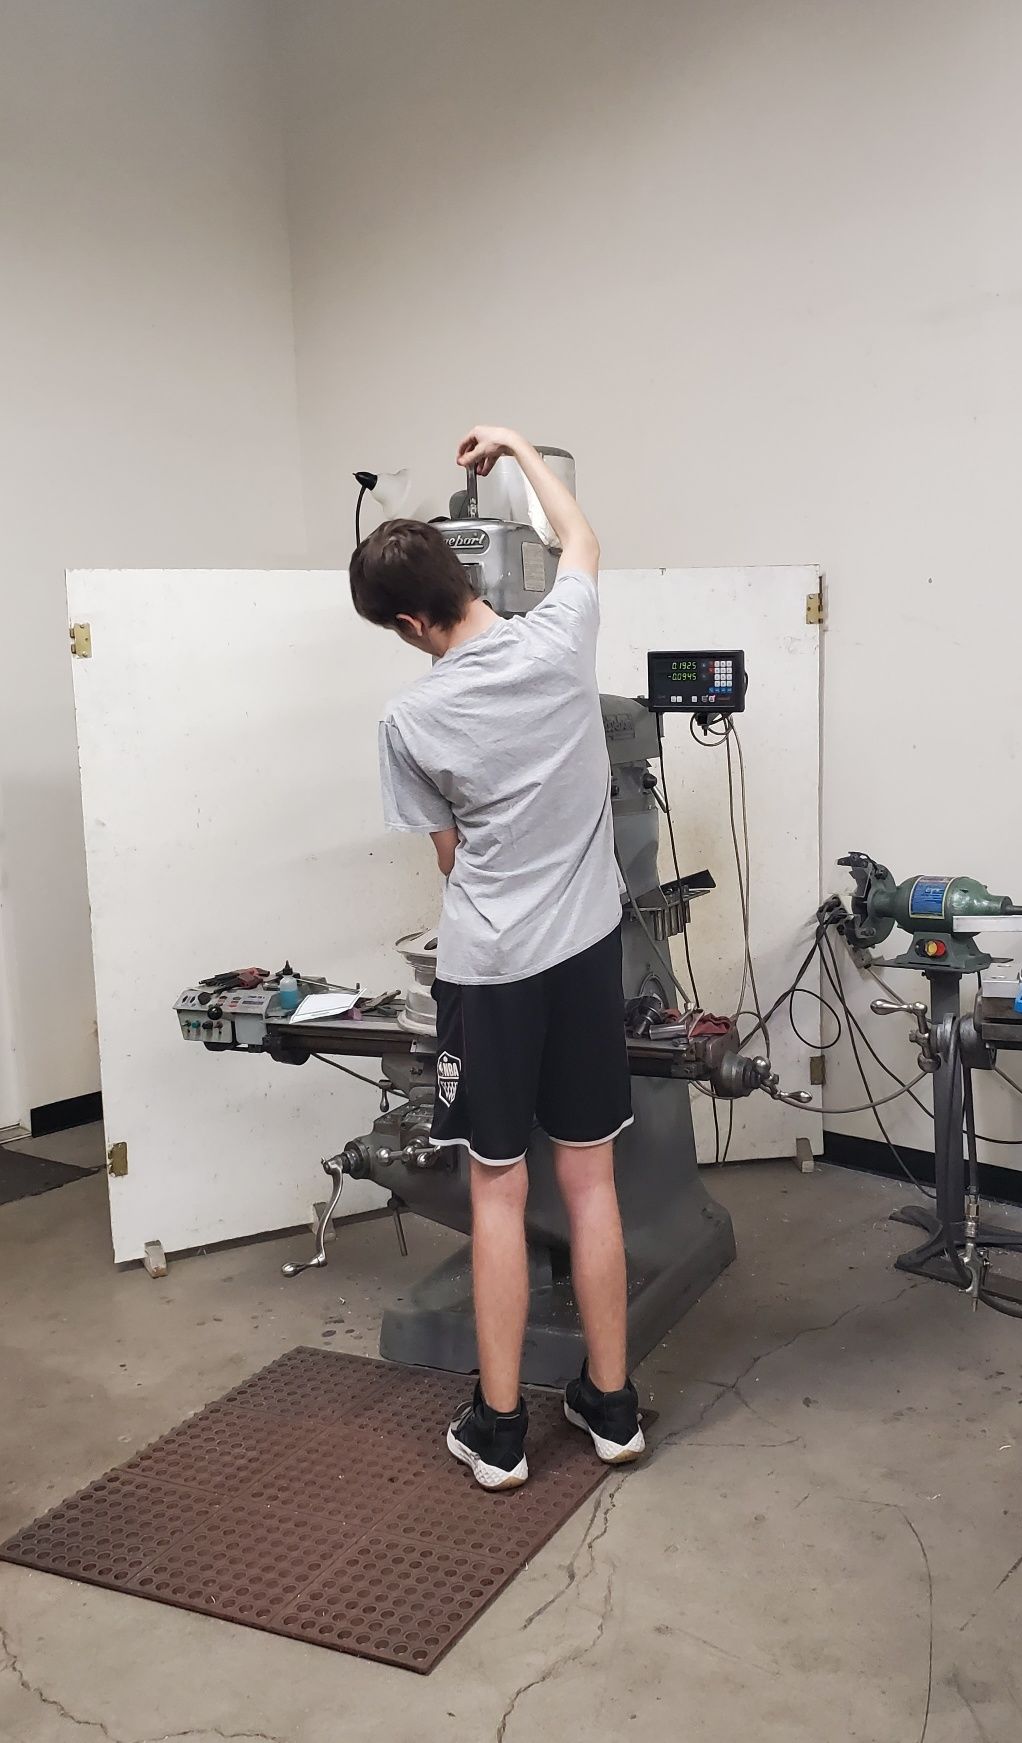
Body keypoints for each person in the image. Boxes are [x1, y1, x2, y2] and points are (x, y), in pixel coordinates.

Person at [349, 426, 644, 1490]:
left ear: (415, 619)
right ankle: (613, 1413)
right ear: (465, 574)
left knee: (497, 1197)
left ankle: (503, 1428)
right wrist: (517, 444)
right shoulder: (561, 639)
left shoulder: (412, 716)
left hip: (493, 969)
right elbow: (578, 534)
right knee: (594, 1183)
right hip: (584, 955)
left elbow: (450, 858)